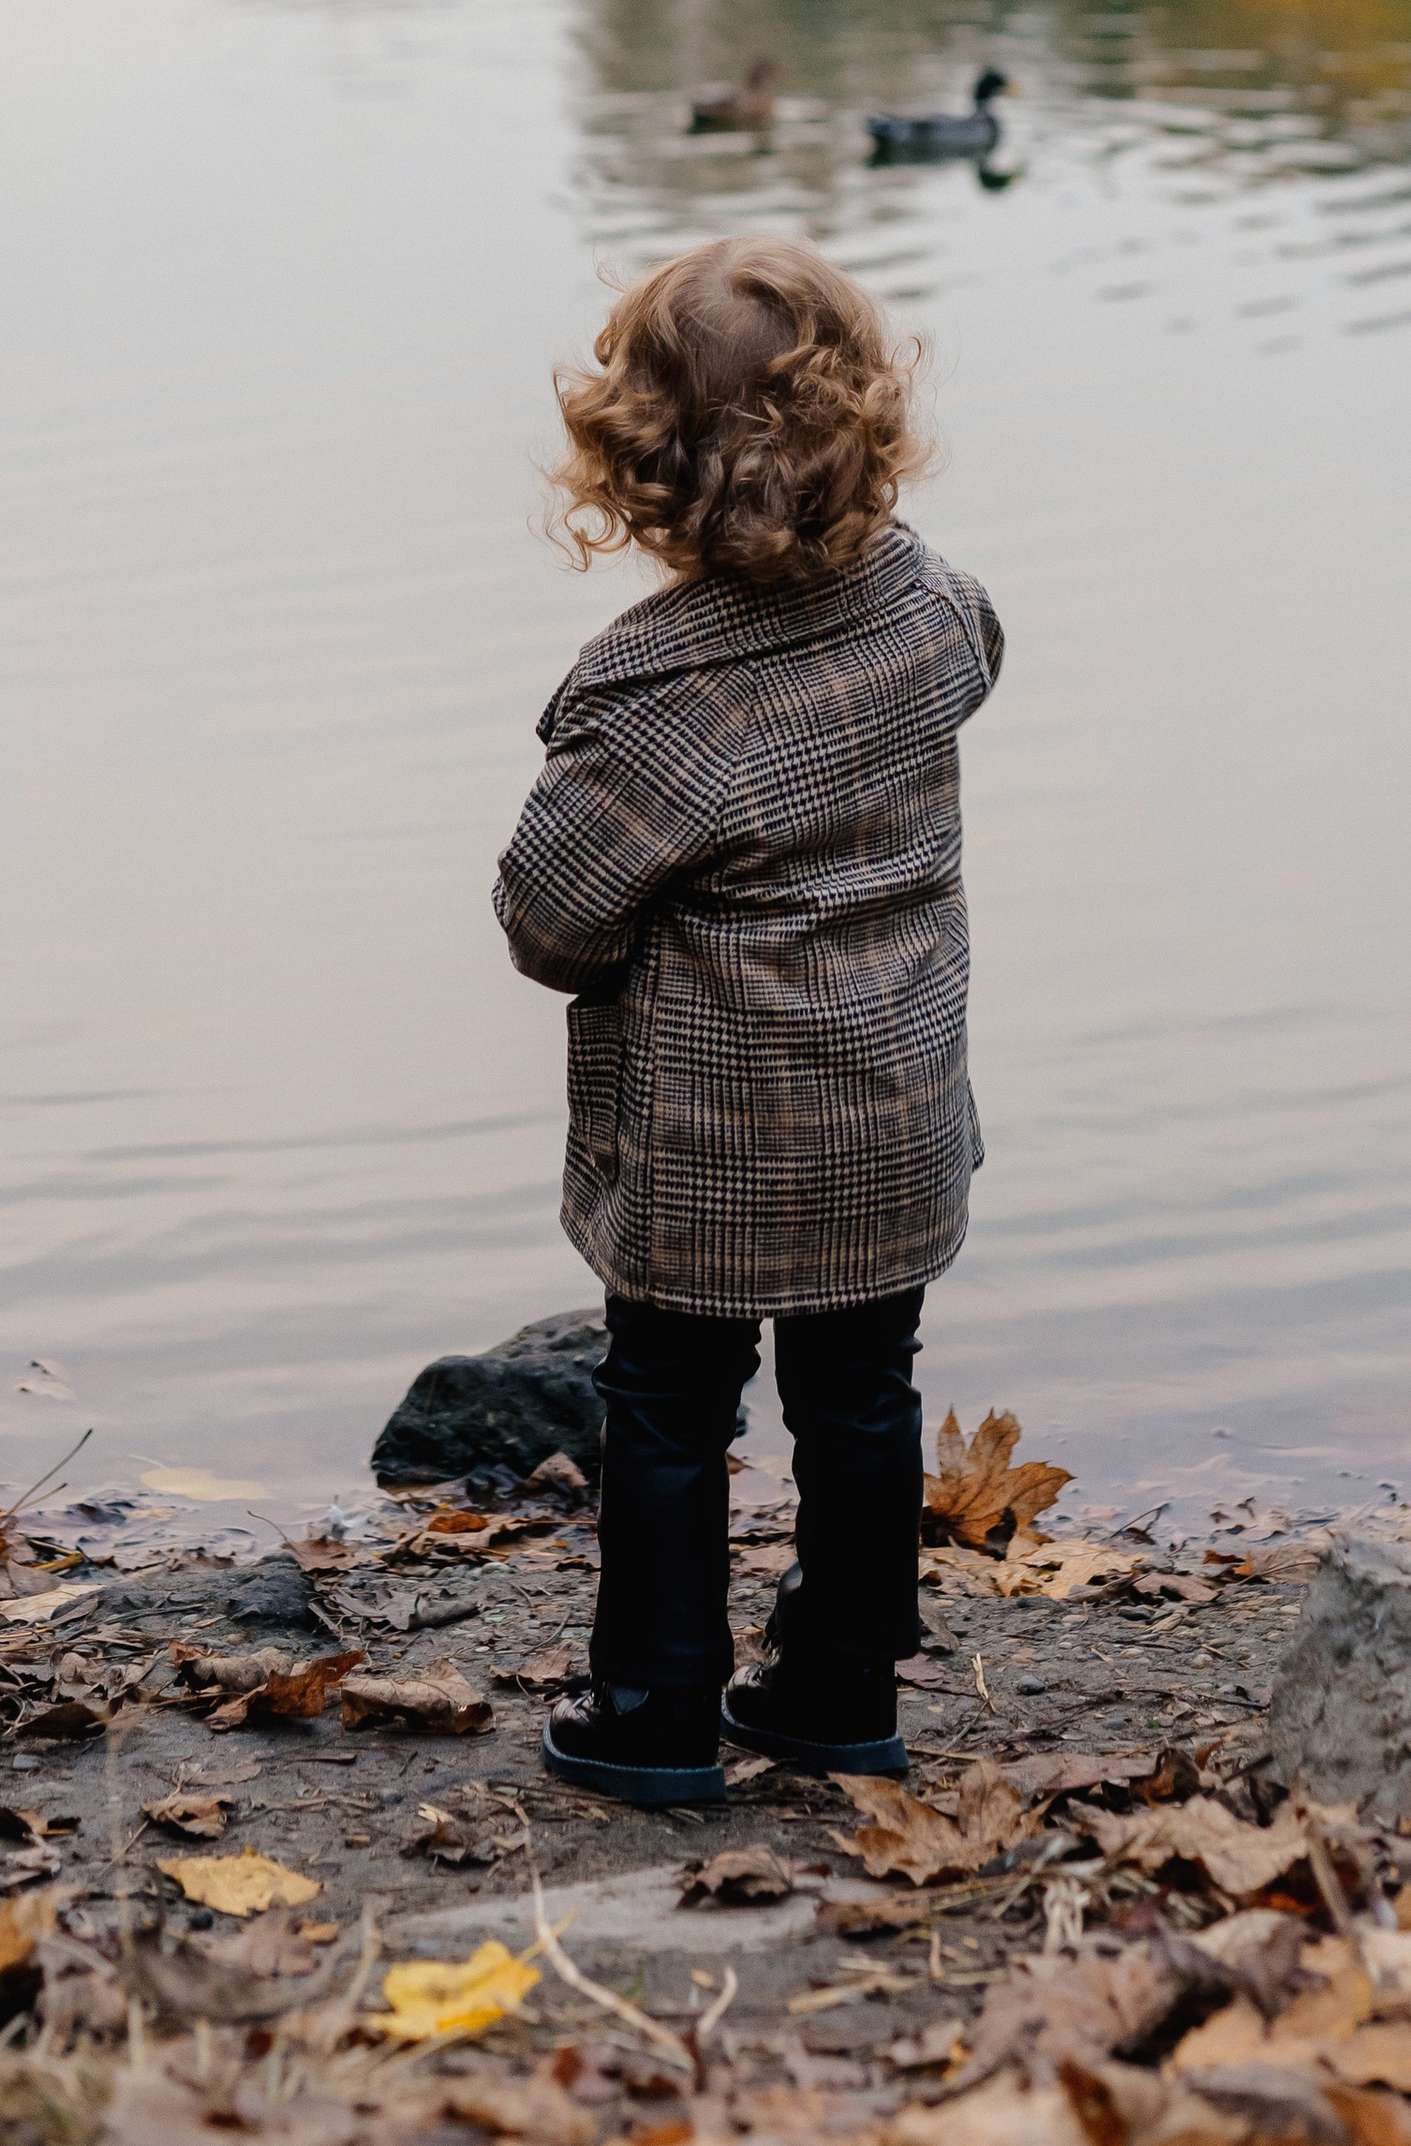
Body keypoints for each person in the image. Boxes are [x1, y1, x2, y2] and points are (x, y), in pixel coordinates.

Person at [494, 234, 1003, 1807]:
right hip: (890, 1115)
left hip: (717, 1150)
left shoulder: (664, 698)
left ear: (640, 466)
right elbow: (980, 659)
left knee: (663, 1410)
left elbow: (547, 914)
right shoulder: (929, 605)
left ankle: (655, 1705)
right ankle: (842, 1681)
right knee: (863, 1391)